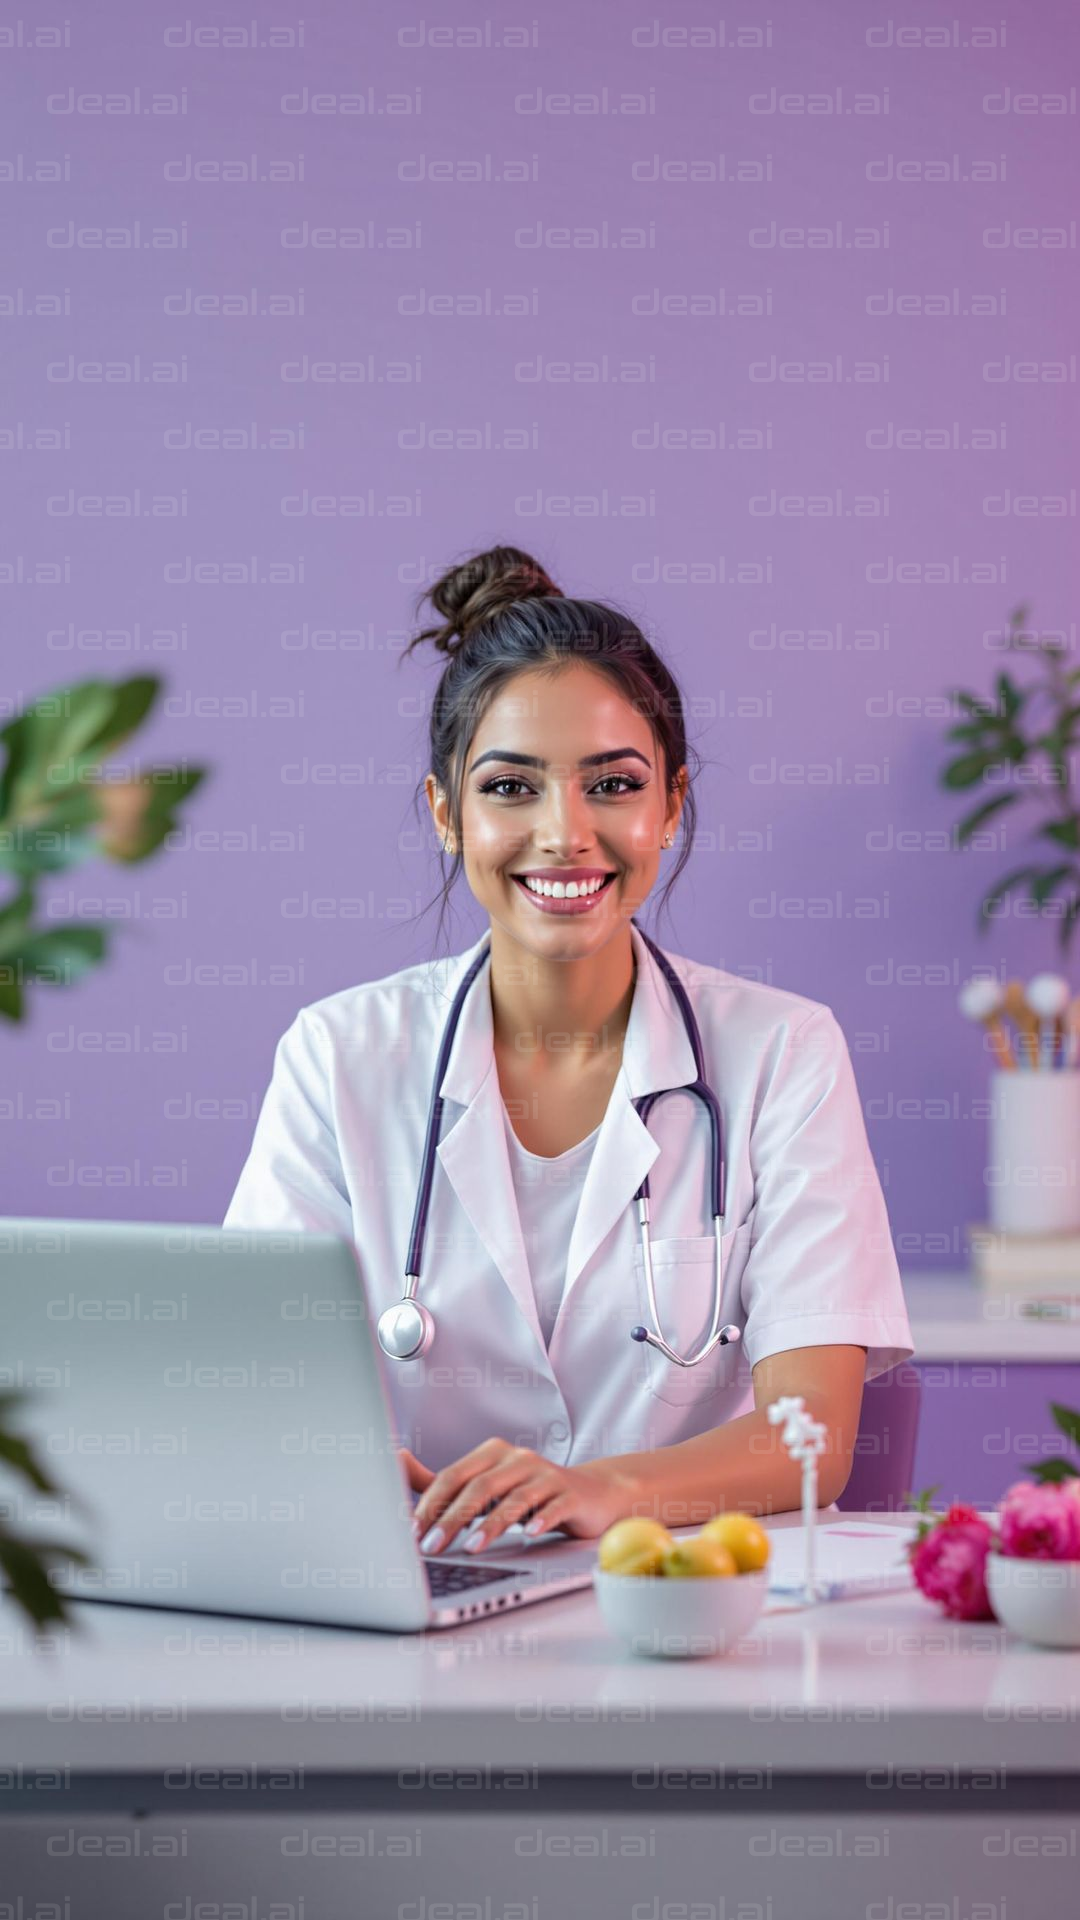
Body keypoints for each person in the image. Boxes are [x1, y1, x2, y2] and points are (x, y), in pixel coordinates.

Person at [224, 545, 914, 1558]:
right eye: (511, 788)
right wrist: (349, 1471)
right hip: (421, 1593)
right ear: (445, 814)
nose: (566, 832)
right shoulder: (339, 1056)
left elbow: (809, 1441)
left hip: (687, 1609)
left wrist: (595, 1492)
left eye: (613, 784)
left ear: (669, 806)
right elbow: (258, 1387)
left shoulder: (782, 1055)